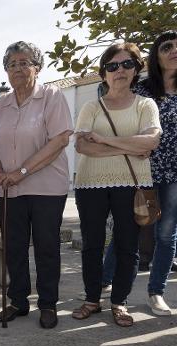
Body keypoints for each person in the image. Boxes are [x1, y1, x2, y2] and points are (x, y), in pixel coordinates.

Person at [0, 41, 73, 329]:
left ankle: (47, 304)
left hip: (46, 187)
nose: (18, 69)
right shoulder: (0, 105)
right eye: (12, 64)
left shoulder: (51, 96)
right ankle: (19, 301)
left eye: (24, 63)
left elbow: (60, 140)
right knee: (14, 247)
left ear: (37, 67)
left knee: (47, 246)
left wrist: (21, 171)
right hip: (9, 189)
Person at [72, 42, 160, 327]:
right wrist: (130, 147)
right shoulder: (91, 107)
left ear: (136, 69)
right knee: (92, 245)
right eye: (112, 66)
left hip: (132, 185)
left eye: (126, 64)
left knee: (128, 246)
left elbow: (152, 141)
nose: (119, 70)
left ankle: (119, 302)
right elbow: (83, 147)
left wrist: (106, 140)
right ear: (104, 73)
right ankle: (92, 300)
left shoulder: (146, 105)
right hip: (90, 184)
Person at [135, 30, 177, 316]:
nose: (174, 51)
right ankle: (104, 282)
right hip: (143, 169)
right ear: (157, 55)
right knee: (132, 227)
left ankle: (156, 292)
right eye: (167, 47)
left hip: (175, 173)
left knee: (166, 234)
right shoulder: (142, 89)